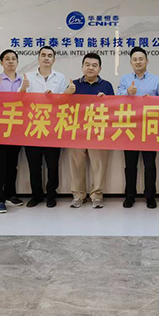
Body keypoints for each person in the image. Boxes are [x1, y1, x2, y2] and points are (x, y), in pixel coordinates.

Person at [22, 46, 72, 208]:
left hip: (53, 127)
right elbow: (20, 99)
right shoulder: (28, 77)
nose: (46, 58)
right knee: (34, 165)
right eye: (43, 55)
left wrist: (59, 96)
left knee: (52, 165)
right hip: (33, 126)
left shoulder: (60, 77)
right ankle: (36, 195)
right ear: (38, 58)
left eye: (49, 56)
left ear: (54, 60)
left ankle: (51, 195)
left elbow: (65, 101)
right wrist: (23, 88)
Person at [118, 46, 159, 209]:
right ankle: (129, 196)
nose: (138, 62)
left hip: (149, 128)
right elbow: (116, 99)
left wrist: (153, 100)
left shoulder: (156, 80)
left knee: (150, 165)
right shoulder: (125, 80)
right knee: (130, 165)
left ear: (147, 61)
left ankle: (150, 196)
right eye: (135, 59)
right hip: (130, 127)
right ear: (131, 62)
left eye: (141, 59)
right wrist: (127, 92)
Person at [69, 53, 114, 209]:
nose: (90, 68)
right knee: (76, 164)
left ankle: (97, 195)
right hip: (77, 131)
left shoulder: (107, 86)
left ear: (100, 68)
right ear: (82, 67)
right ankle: (78, 195)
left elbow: (115, 109)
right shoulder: (73, 85)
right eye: (87, 64)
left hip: (98, 131)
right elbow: (63, 106)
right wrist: (67, 93)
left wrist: (106, 100)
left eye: (94, 65)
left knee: (99, 165)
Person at [0, 48, 25, 213]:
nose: (10, 61)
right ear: (1, 62)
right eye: (7, 59)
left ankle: (10, 194)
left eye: (13, 58)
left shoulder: (23, 80)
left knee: (12, 164)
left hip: (16, 127)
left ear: (17, 62)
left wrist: (24, 90)